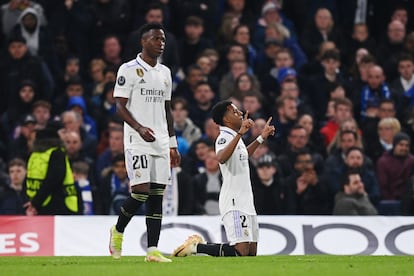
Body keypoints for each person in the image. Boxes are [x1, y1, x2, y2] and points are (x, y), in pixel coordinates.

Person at [108, 23, 180, 263]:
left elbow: (167, 110)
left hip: (160, 140)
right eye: (156, 39)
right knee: (140, 191)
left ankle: (152, 250)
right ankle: (117, 231)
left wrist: (172, 143)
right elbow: (119, 105)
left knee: (157, 194)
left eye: (163, 39)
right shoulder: (128, 69)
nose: (161, 43)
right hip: (137, 139)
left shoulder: (165, 72)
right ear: (143, 41)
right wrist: (139, 128)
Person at [172, 100, 275, 257]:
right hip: (234, 200)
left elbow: (243, 155)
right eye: (235, 112)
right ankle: (196, 248)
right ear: (226, 119)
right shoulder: (223, 137)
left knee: (251, 253)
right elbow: (221, 157)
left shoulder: (235, 138)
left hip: (246, 200)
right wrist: (241, 132)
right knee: (240, 251)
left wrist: (261, 138)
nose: (240, 113)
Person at [23, 122, 79, 215]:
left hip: (38, 203)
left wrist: (34, 203)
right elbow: (53, 180)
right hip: (58, 203)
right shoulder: (57, 153)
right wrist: (35, 203)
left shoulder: (34, 156)